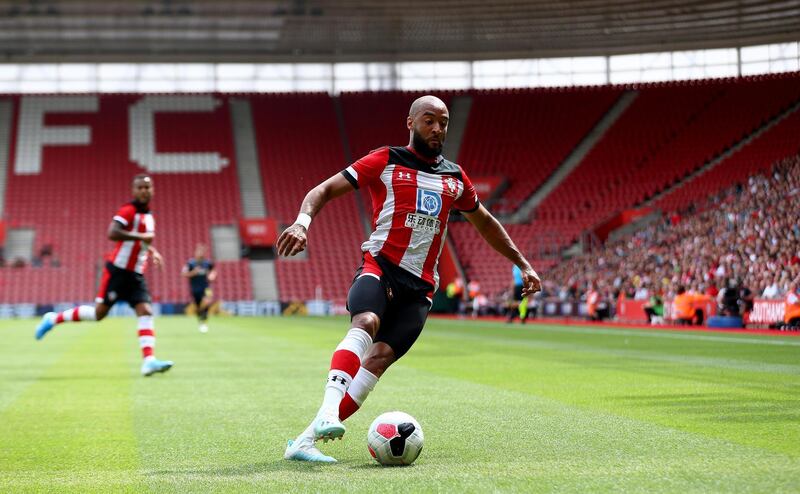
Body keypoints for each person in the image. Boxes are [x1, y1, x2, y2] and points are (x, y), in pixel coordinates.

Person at [277, 95, 541, 463]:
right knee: (366, 321)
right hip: (380, 266)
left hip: (420, 289)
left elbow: (486, 223)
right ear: (411, 123)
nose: (437, 128)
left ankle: (303, 443)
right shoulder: (386, 159)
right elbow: (321, 190)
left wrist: (523, 262)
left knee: (380, 358)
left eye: (444, 122)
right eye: (429, 120)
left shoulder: (455, 177)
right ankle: (328, 411)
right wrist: (302, 223)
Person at [35, 174, 173, 377]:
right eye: (140, 187)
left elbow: (143, 240)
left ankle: (149, 361)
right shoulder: (128, 210)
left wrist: (153, 251)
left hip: (136, 273)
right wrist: (142, 237)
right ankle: (53, 319)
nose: (144, 190)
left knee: (145, 311)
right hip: (118, 270)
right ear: (134, 191)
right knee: (98, 314)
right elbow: (113, 232)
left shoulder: (149, 216)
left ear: (153, 190)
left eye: (148, 187)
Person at [182, 243, 217, 333]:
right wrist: (193, 272)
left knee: (207, 301)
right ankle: (201, 321)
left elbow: (213, 270)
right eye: (199, 251)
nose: (201, 253)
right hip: (195, 288)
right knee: (198, 307)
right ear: (195, 252)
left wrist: (212, 276)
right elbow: (183, 273)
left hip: (205, 287)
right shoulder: (191, 263)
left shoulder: (207, 263)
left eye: (202, 251)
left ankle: (204, 321)